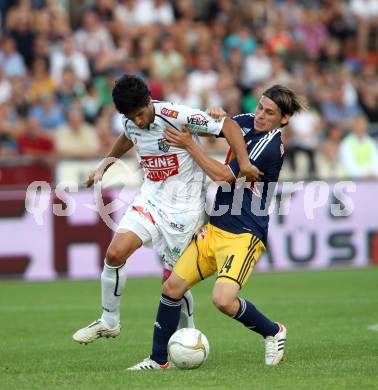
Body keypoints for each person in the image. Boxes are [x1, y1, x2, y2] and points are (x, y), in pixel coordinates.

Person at [73, 74, 262, 344]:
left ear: (150, 101)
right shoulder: (130, 119)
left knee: (172, 282)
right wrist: (104, 165)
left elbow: (229, 127)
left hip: (183, 209)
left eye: (140, 114)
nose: (137, 120)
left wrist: (243, 162)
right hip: (150, 198)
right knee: (115, 254)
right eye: (131, 116)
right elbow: (127, 135)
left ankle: (189, 336)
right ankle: (109, 321)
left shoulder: (176, 115)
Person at [128, 84, 306, 370]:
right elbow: (226, 124)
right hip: (215, 229)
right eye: (260, 106)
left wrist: (189, 144)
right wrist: (216, 116)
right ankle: (157, 360)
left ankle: (273, 331)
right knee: (172, 286)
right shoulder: (250, 121)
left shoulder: (270, 145)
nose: (259, 115)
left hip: (243, 235)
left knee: (222, 300)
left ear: (283, 120)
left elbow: (223, 176)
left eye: (269, 112)